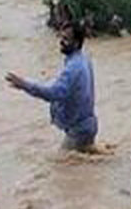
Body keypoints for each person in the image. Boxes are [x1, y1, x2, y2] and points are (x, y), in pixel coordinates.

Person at [6, 22, 98, 151]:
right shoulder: (83, 59)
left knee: (60, 167)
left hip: (78, 130)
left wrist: (25, 85)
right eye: (61, 37)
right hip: (86, 126)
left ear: (76, 43)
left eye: (66, 39)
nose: (61, 41)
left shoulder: (73, 68)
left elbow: (53, 93)